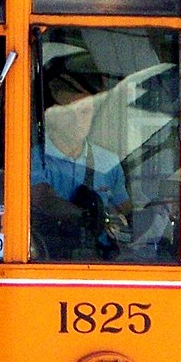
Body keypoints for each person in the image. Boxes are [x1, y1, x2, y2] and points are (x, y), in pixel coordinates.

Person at [30, 57, 130, 258]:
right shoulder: (32, 158)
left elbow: (125, 211)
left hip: (101, 263)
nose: (78, 120)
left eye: (84, 111)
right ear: (51, 115)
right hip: (47, 260)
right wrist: (85, 216)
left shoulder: (108, 162)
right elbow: (43, 198)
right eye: (69, 112)